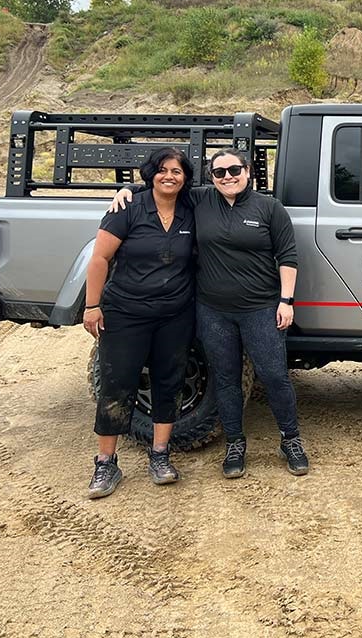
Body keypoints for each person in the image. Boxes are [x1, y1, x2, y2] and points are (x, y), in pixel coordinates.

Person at [110, 149, 307, 479]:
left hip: (261, 308)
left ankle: (291, 440)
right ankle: (234, 443)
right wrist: (129, 191)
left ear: (248, 171)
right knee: (227, 379)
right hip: (213, 310)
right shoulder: (200, 200)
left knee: (274, 375)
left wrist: (286, 301)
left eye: (234, 169)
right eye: (219, 172)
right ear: (210, 178)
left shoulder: (270, 208)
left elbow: (287, 256)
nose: (227, 177)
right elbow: (164, 187)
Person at [84, 148, 195, 499]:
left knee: (169, 381)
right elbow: (100, 258)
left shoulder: (192, 209)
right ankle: (106, 463)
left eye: (176, 171)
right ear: (150, 174)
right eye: (162, 170)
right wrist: (92, 306)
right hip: (126, 313)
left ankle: (160, 455)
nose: (169, 177)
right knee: (117, 384)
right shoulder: (128, 207)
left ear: (185, 177)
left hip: (174, 315)